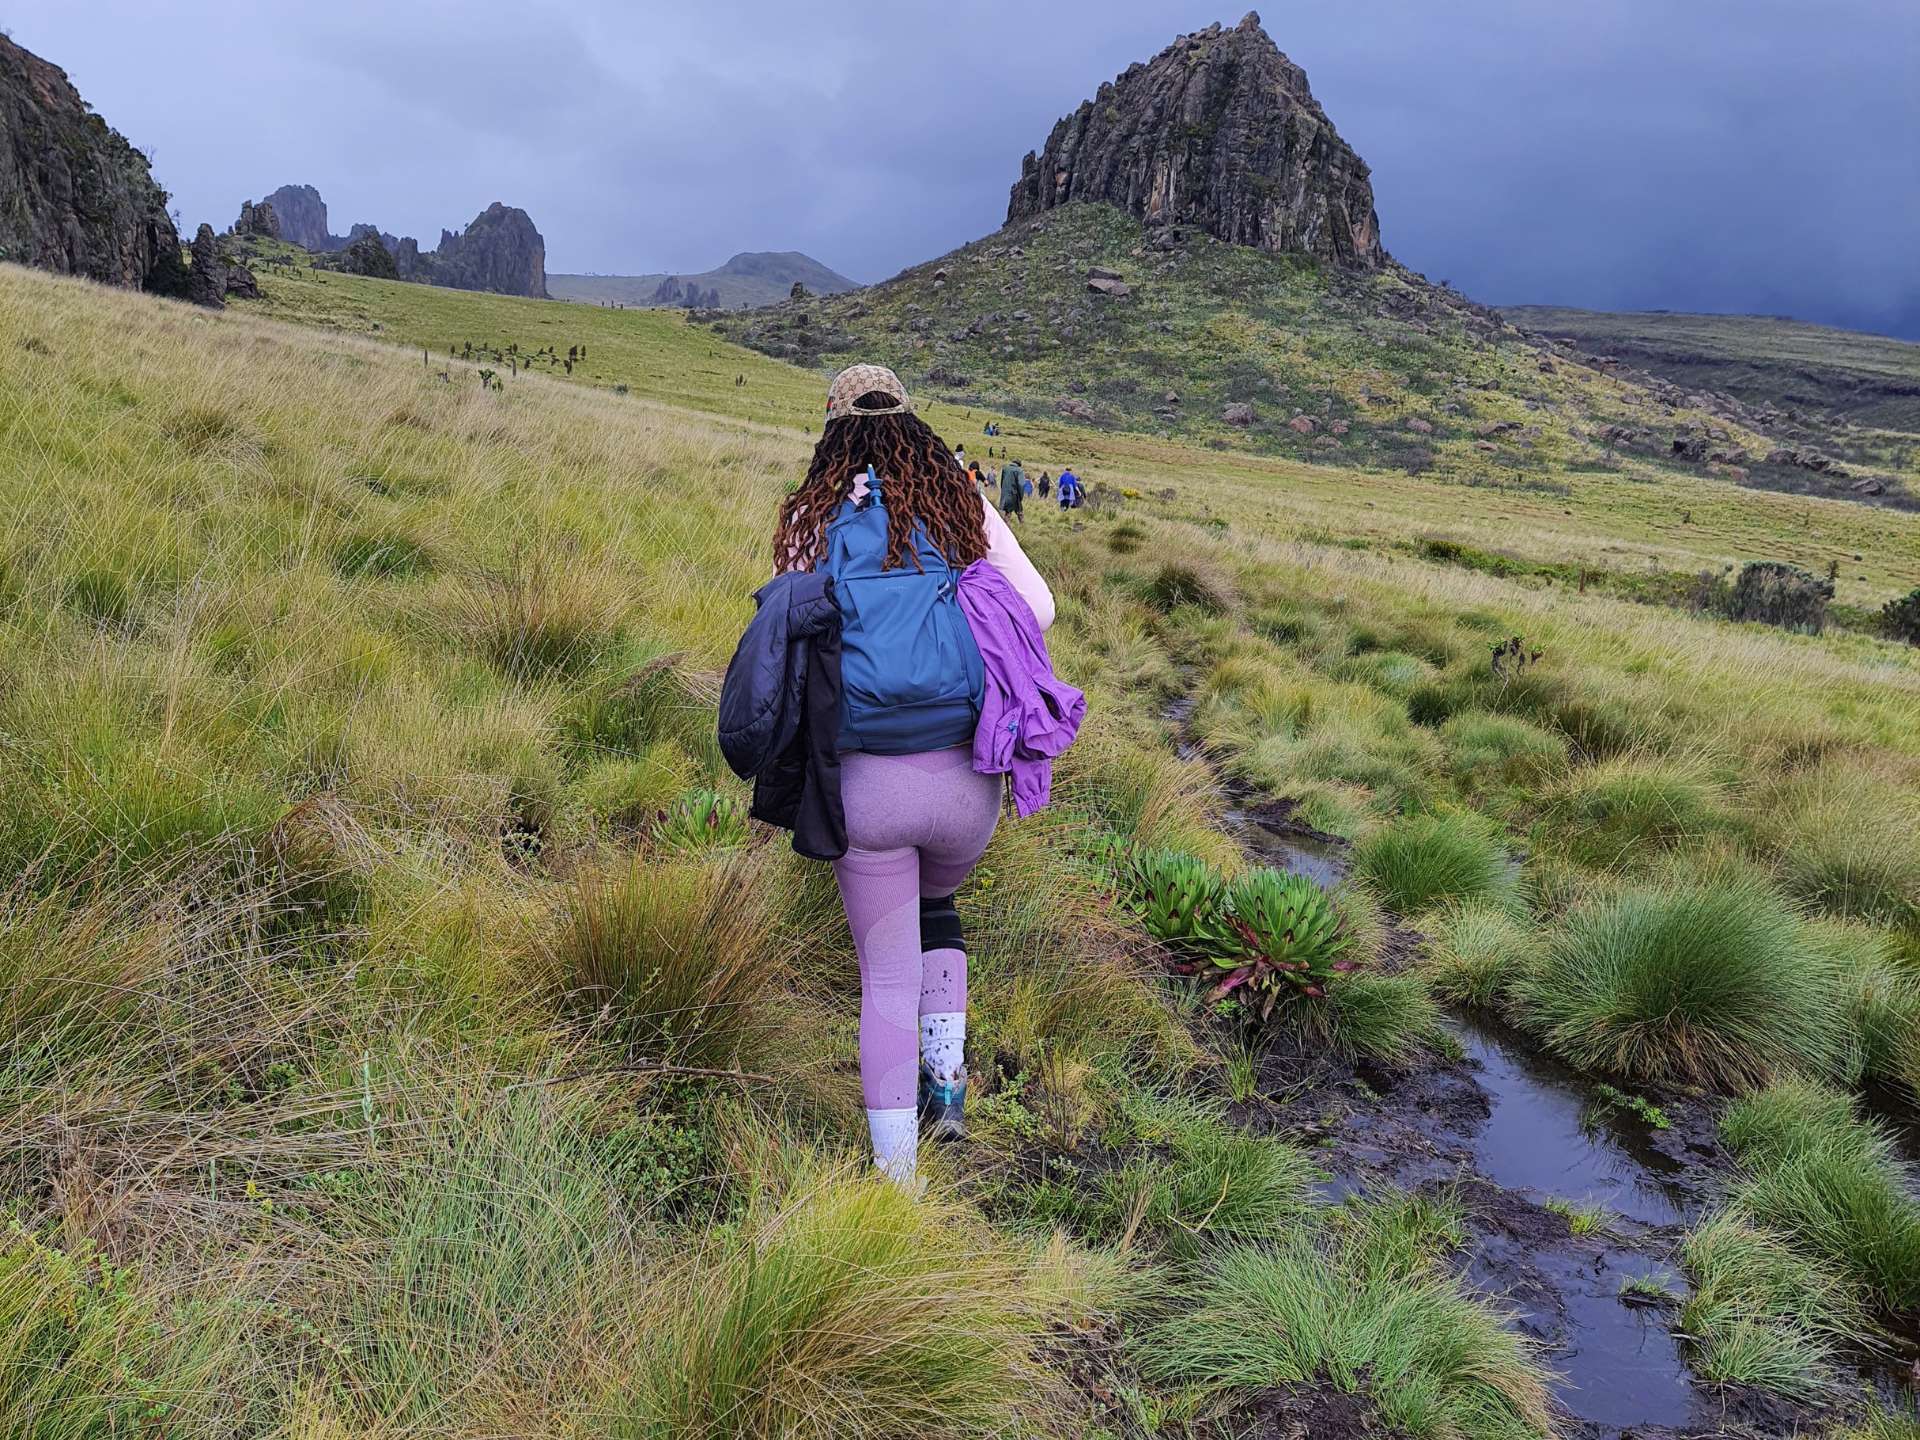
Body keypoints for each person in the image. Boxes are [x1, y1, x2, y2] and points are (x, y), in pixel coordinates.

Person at [768, 364, 1054, 1188]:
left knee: (886, 975)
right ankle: (949, 1093)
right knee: (939, 904)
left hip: (866, 790)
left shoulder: (815, 514)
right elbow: (1039, 608)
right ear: (914, 425)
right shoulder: (960, 499)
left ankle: (899, 1185)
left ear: (832, 430)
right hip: (969, 785)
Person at [999, 457, 1027, 525]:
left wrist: (1003, 492)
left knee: (1008, 512)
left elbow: (1002, 482)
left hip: (1005, 494)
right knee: (1019, 511)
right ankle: (1022, 527)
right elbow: (1021, 485)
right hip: (1015, 494)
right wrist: (1021, 496)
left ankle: (1005, 527)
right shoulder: (1019, 470)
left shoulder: (1005, 468)